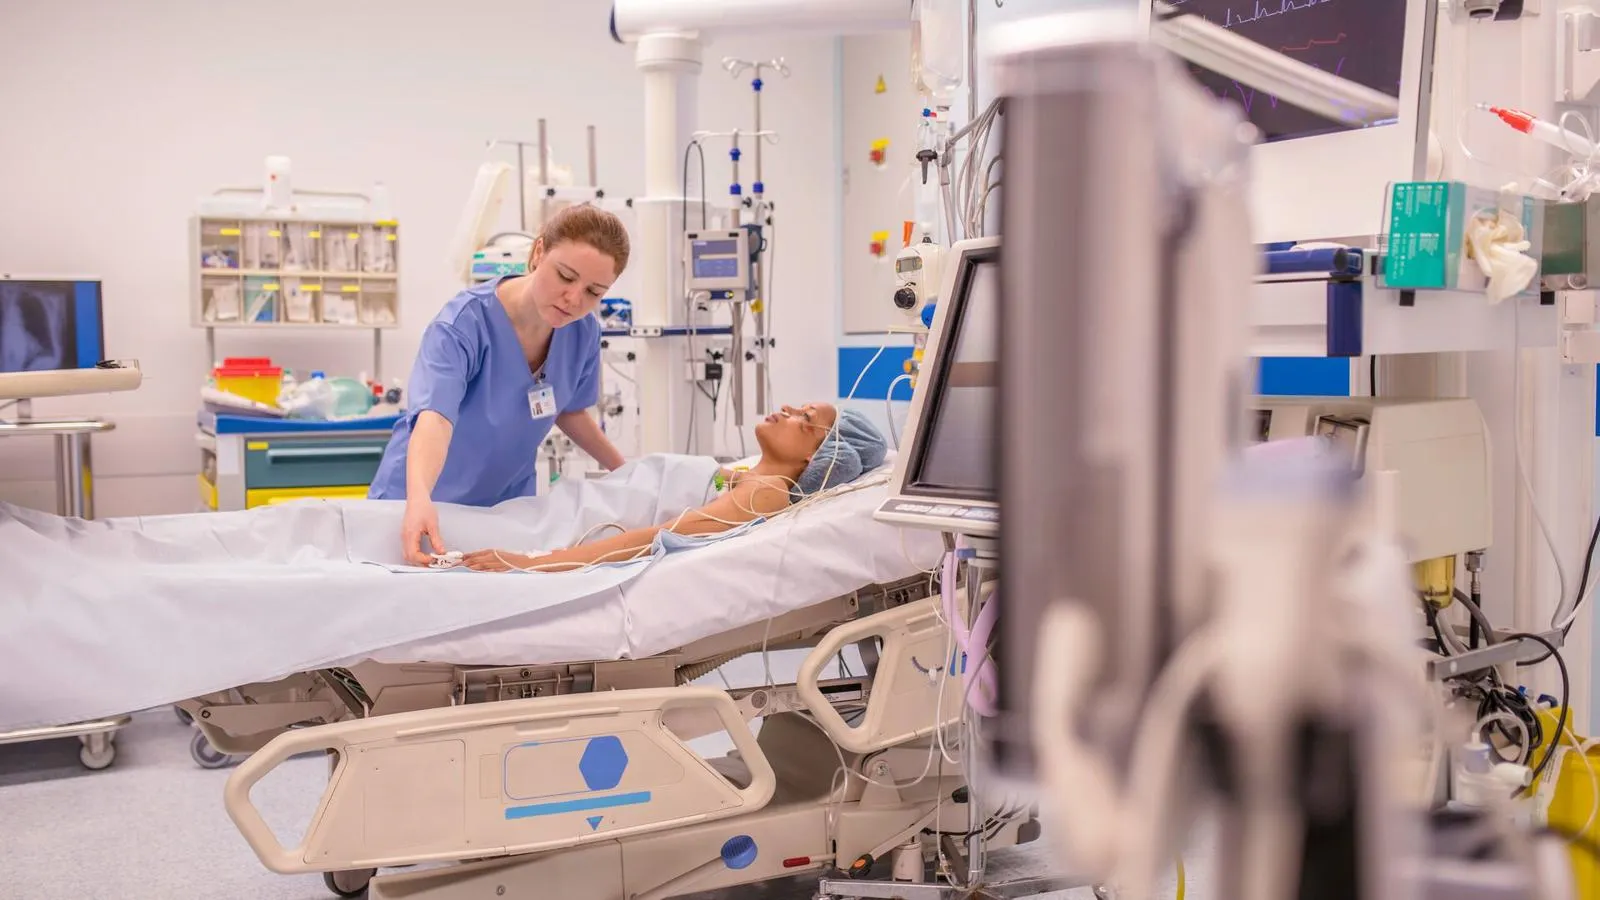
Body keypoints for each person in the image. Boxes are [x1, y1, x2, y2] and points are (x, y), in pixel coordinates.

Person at [370, 204, 632, 566]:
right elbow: (435, 418)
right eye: (566, 276)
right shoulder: (463, 326)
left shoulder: (582, 331)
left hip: (502, 509)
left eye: (594, 291)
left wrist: (628, 473)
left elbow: (568, 409)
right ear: (538, 252)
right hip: (419, 503)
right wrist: (418, 499)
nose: (574, 299)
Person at [459, 403, 888, 572]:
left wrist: (531, 564)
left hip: (572, 527)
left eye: (803, 419)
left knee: (459, 539)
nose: (788, 410)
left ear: (817, 459)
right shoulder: (751, 477)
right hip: (584, 503)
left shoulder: (766, 493)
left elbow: (654, 537)